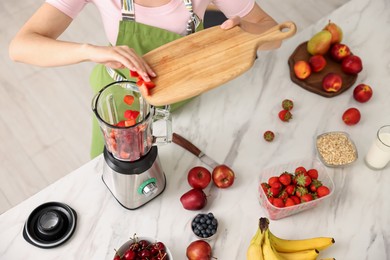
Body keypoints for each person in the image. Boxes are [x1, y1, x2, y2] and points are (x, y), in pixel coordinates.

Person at [9, 0, 281, 158]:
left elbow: (273, 34)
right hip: (121, 107)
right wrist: (89, 51)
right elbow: (20, 46)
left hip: (188, 95)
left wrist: (246, 30)